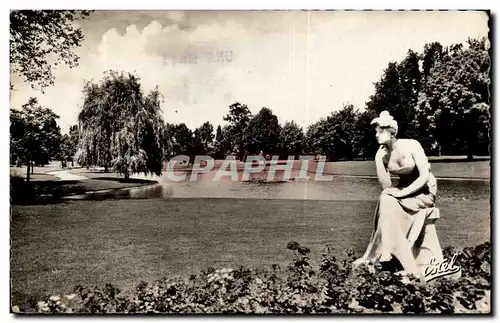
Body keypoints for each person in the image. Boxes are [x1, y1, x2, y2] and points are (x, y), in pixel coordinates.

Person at [353, 111, 438, 280]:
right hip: (403, 190)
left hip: (424, 191)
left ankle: (387, 251)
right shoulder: (382, 155)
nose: (376, 135)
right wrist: (378, 161)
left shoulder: (411, 145)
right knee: (386, 197)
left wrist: (402, 194)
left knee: (389, 199)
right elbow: (386, 186)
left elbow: (424, 177)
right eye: (376, 131)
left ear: (391, 132)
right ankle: (387, 252)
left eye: (380, 131)